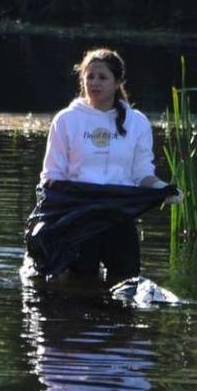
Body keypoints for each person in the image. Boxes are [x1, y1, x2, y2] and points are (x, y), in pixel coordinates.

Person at [38, 48, 179, 281]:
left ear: (118, 82)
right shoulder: (66, 120)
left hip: (119, 217)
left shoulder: (137, 122)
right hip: (77, 218)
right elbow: (52, 174)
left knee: (126, 283)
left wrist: (163, 189)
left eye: (102, 77)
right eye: (89, 76)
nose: (95, 83)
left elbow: (142, 174)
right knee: (79, 286)